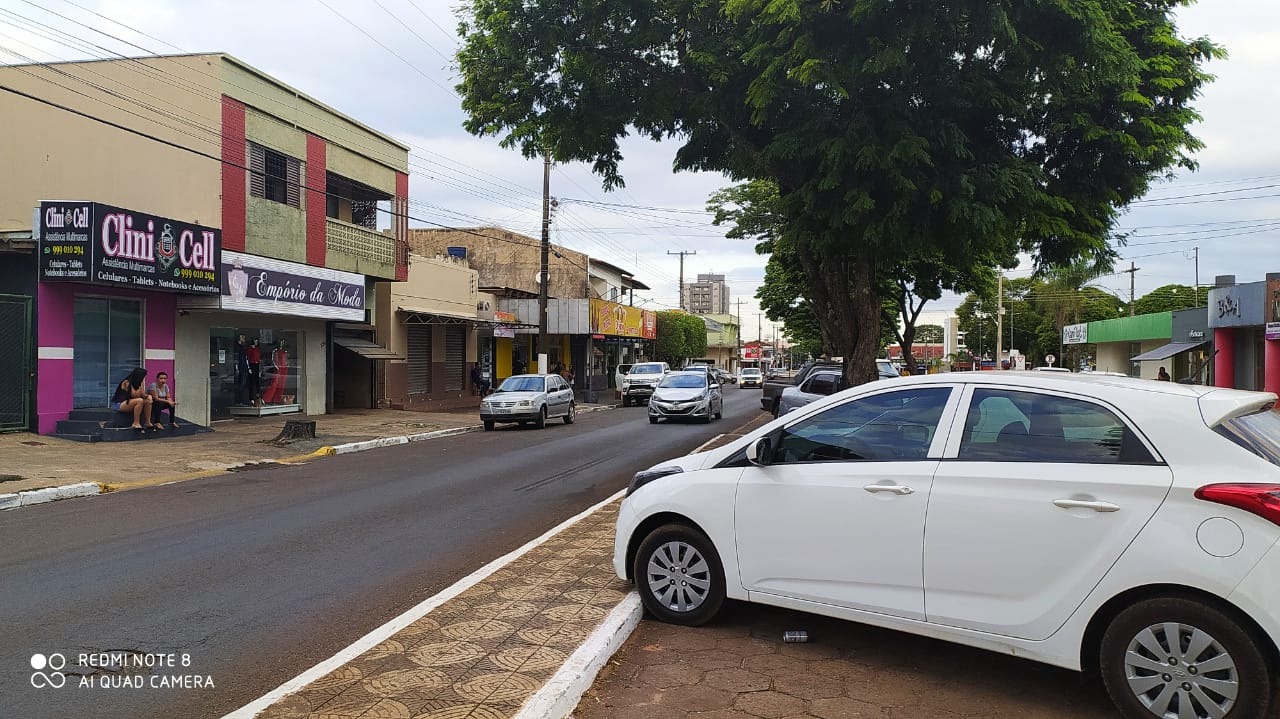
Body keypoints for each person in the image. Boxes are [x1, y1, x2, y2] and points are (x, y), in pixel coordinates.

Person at [246, 338, 263, 405]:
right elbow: (247, 358)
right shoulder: (250, 349)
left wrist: (260, 369)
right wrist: (249, 367)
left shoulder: (257, 349)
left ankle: (258, 397)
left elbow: (259, 358)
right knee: (252, 383)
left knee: (257, 382)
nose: (256, 342)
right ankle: (251, 398)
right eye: (255, 341)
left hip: (257, 365)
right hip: (252, 365)